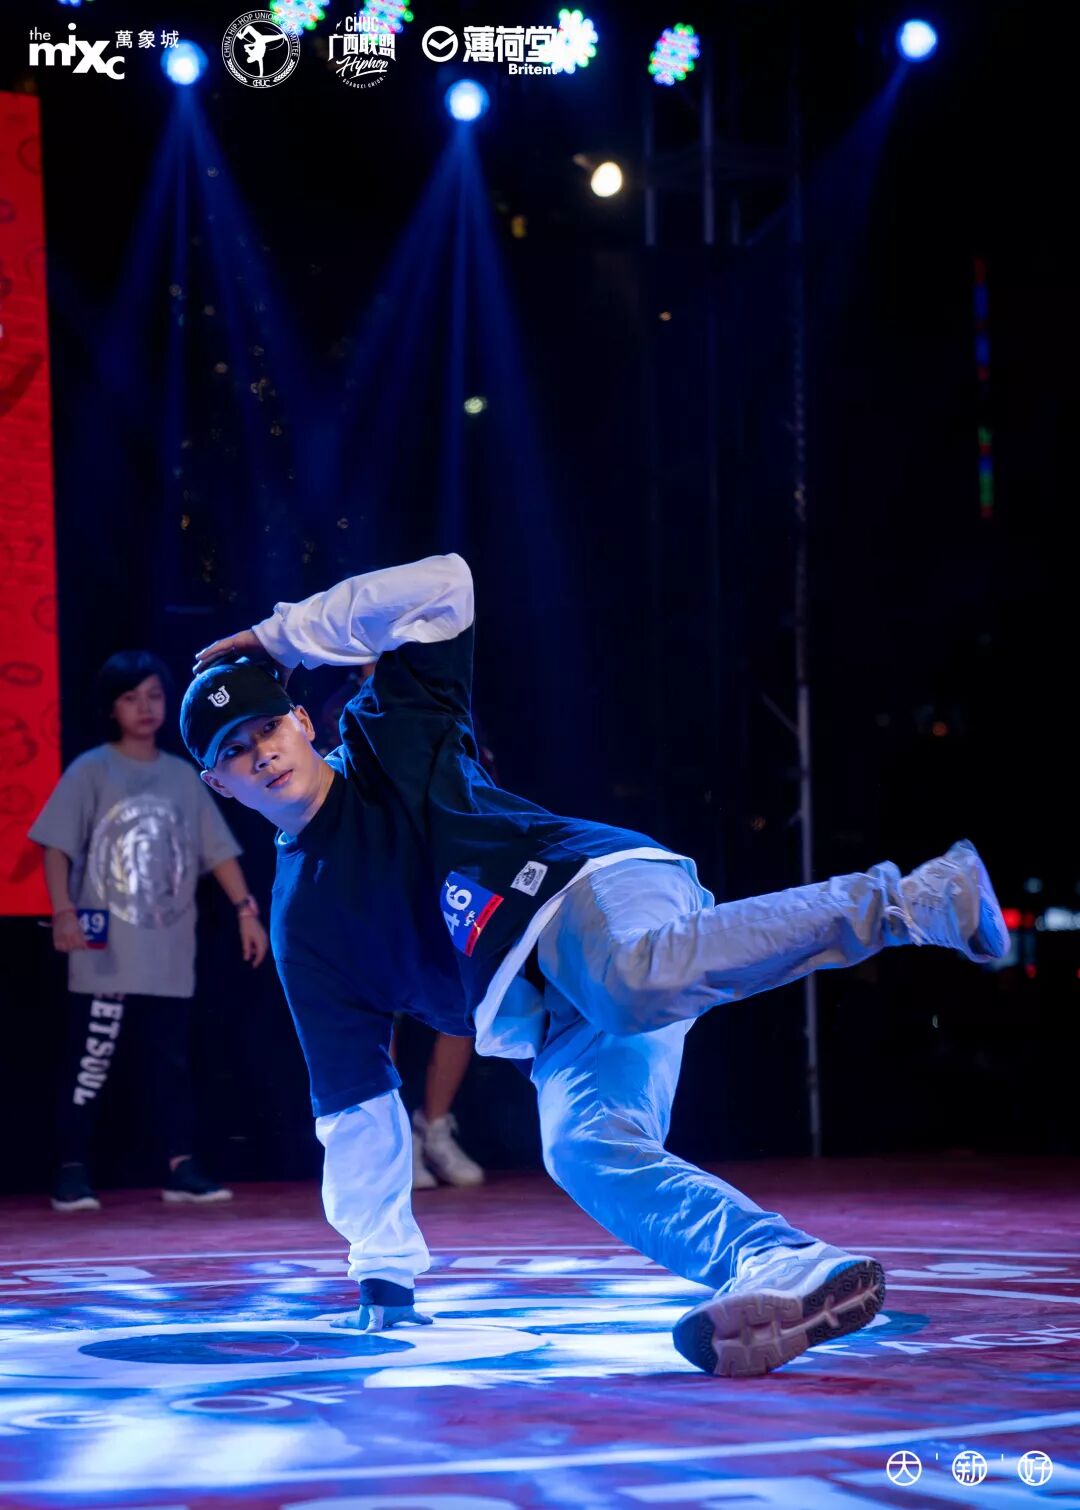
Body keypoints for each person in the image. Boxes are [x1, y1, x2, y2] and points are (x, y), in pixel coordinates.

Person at [179, 554, 1008, 1377]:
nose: (262, 754)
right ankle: (779, 1261)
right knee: (583, 1146)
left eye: (268, 728)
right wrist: (383, 1277)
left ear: (302, 719)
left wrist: (283, 635)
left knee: (628, 978)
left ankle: (913, 900)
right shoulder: (303, 925)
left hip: (590, 892)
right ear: (218, 784)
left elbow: (447, 584)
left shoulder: (391, 731)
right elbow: (355, 1100)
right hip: (559, 1020)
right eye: (236, 751)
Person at [30, 650, 270, 1213]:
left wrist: (246, 911)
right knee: (90, 1063)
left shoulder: (183, 776)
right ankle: (72, 1170)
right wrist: (63, 911)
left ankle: (180, 1167)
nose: (145, 707)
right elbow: (56, 845)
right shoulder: (92, 769)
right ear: (111, 708)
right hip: (105, 952)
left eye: (155, 696)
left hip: (168, 951)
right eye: (131, 697)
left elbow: (217, 852)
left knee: (170, 1066)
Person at [315, 665, 485, 1192]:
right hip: (373, 873)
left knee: (464, 1004)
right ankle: (396, 1143)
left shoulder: (437, 691)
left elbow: (472, 778)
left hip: (445, 865)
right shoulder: (337, 710)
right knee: (382, 1010)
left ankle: (435, 1126)